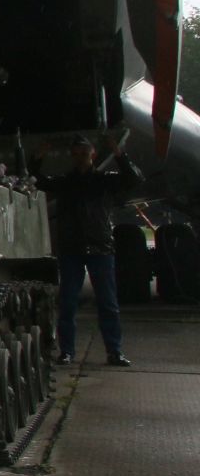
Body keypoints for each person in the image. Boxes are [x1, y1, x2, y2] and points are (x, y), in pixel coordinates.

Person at [37, 134, 141, 367]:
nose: (81, 157)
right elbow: (39, 181)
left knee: (108, 303)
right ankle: (67, 351)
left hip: (100, 247)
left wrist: (120, 155)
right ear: (73, 156)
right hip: (73, 249)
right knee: (68, 302)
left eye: (85, 152)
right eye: (77, 153)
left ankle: (114, 351)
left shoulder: (104, 180)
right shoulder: (66, 182)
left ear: (93, 154)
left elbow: (132, 179)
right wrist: (37, 159)